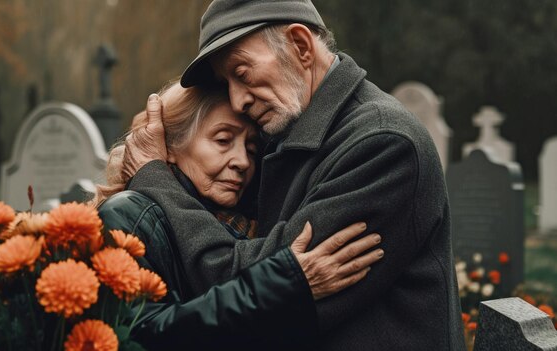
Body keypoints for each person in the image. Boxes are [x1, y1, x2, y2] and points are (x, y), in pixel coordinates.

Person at [123, 0, 466, 350]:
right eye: (226, 83)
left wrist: (154, 177)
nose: (237, 100)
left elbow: (234, 278)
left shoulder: (382, 144)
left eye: (241, 73)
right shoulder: (286, 132)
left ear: (301, 46)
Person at [97, 80, 383, 350]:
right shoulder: (128, 216)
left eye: (250, 148)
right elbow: (138, 337)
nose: (243, 162)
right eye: (223, 140)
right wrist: (278, 289)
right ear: (169, 148)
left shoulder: (249, 225)